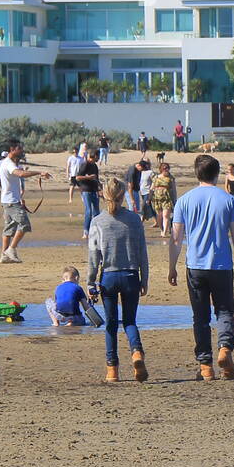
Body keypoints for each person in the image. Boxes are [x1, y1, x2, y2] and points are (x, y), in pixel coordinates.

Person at [168, 154, 234, 381]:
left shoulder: (184, 200)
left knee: (200, 316)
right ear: (217, 174)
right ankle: (224, 348)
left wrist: (172, 266)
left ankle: (206, 366)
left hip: (195, 266)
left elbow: (176, 239)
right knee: (224, 310)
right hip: (221, 265)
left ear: (197, 173)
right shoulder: (228, 200)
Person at [88, 177, 151, 383]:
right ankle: (136, 354)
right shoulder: (134, 219)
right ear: (123, 195)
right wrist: (144, 279)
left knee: (111, 325)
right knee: (130, 321)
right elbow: (142, 252)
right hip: (131, 275)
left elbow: (93, 258)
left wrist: (90, 283)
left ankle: (112, 370)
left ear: (103, 195)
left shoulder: (97, 221)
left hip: (109, 276)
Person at [0, 139, 53, 264]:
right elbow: (21, 174)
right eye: (19, 149)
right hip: (10, 201)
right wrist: (39, 172)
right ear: (12, 149)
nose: (22, 151)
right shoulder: (8, 163)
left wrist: (19, 198)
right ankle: (11, 249)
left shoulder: (9, 163)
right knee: (25, 224)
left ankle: (4, 255)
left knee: (9, 228)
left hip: (10, 200)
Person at [74, 145, 101, 238]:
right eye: (98, 156)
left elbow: (97, 179)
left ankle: (95, 231)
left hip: (94, 191)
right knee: (89, 211)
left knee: (97, 212)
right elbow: (77, 177)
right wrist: (88, 177)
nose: (99, 158)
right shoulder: (85, 164)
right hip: (86, 191)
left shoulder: (95, 166)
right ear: (95, 156)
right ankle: (86, 232)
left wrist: (100, 189)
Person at [150, 161, 177, 238]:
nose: (166, 170)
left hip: (167, 198)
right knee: (159, 215)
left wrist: (174, 199)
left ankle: (165, 232)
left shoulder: (171, 178)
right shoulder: (156, 177)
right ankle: (162, 229)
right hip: (157, 198)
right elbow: (152, 188)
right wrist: (149, 198)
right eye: (164, 168)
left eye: (167, 168)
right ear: (161, 169)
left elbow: (174, 189)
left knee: (166, 215)